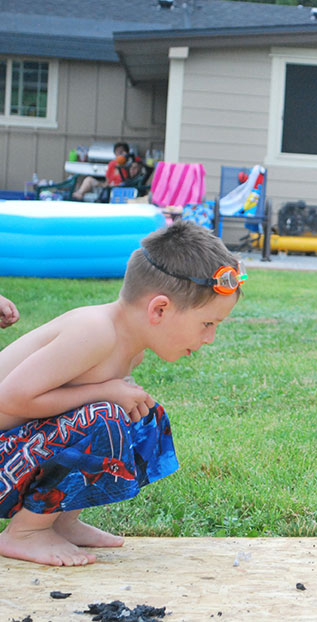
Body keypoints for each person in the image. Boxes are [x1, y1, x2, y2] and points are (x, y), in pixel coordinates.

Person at [0, 220, 246, 566]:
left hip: (15, 454)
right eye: (208, 323)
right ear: (159, 309)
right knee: (105, 415)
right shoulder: (95, 331)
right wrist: (104, 391)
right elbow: (9, 398)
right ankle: (25, 532)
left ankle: (60, 520)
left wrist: (110, 393)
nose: (210, 339)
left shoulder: (130, 349)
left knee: (142, 415)